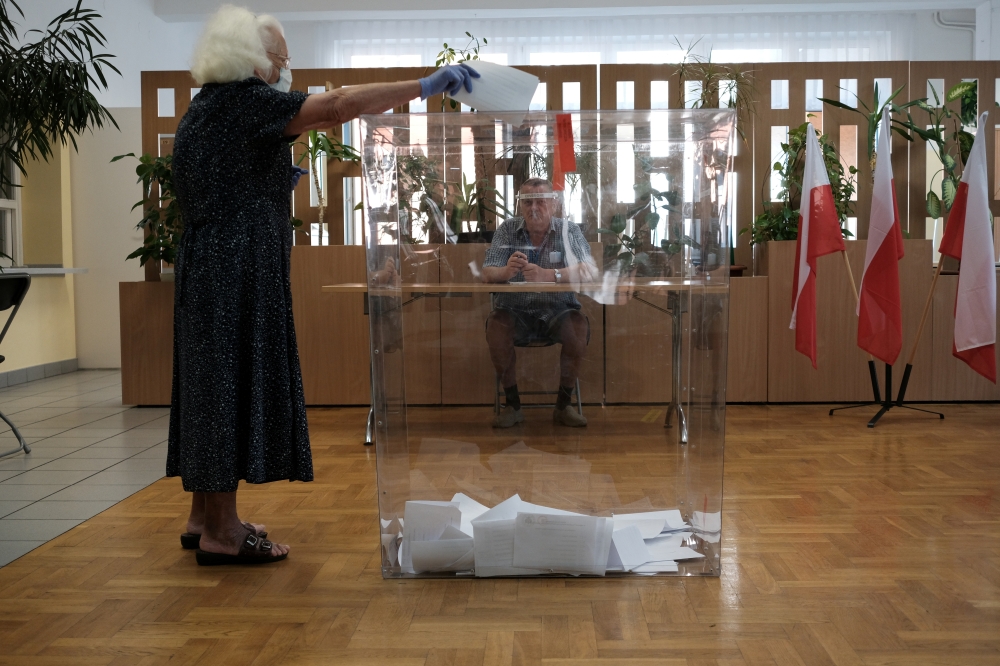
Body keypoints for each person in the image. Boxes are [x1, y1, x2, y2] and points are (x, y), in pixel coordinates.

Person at [166, 4, 477, 566]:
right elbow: (337, 106)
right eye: (281, 58)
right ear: (252, 61)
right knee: (229, 383)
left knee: (212, 384)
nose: (286, 68)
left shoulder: (205, 108)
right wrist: (425, 85)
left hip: (208, 266)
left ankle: (204, 516)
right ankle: (222, 532)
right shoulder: (244, 102)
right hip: (236, 270)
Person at [482, 178, 598, 429]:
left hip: (559, 310)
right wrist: (505, 272)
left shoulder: (569, 230)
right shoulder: (508, 229)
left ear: (554, 205)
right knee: (496, 326)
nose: (534, 207)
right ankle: (512, 406)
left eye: (540, 202)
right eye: (527, 202)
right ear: (519, 206)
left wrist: (551, 275)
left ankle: (563, 406)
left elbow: (589, 270)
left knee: (577, 328)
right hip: (515, 311)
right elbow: (487, 272)